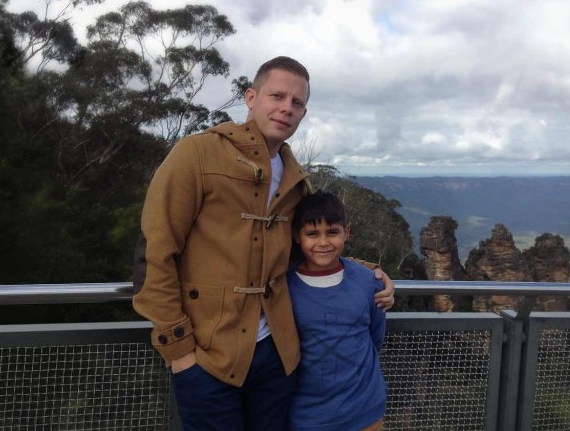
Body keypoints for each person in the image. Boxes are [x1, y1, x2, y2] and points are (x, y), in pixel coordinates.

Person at [132, 55, 394, 429]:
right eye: (277, 96)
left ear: (303, 114)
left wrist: (367, 272)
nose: (287, 108)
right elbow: (154, 253)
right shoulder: (197, 155)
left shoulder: (295, 180)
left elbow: (304, 247)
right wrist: (180, 353)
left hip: (276, 356)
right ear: (251, 97)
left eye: (297, 103)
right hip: (208, 355)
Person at [287, 192, 386, 431]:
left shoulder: (367, 282)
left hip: (366, 412)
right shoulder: (284, 287)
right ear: (297, 236)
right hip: (307, 416)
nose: (323, 242)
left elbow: (375, 337)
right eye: (312, 234)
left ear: (346, 232)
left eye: (332, 232)